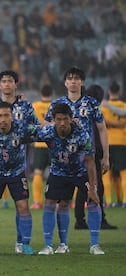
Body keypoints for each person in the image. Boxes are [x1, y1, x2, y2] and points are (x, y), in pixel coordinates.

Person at [43, 67, 109, 231]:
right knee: (63, 200)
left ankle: (95, 238)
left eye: (77, 78)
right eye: (70, 78)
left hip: (87, 157)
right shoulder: (57, 104)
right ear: (65, 82)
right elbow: (45, 126)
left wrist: (106, 156)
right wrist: (63, 125)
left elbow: (102, 128)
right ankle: (75, 226)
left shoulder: (91, 103)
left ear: (82, 82)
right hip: (63, 158)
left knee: (94, 192)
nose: (73, 81)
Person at [0, 70, 39, 254]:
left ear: (16, 84)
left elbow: (36, 128)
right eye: (3, 81)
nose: (7, 84)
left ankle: (23, 243)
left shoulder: (25, 106)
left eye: (10, 81)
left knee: (21, 205)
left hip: (17, 165)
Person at [37, 103, 105, 255]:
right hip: (58, 172)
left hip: (80, 172)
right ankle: (53, 245)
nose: (62, 123)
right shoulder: (47, 132)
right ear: (53, 119)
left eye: (65, 119)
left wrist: (93, 189)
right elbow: (27, 134)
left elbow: (90, 161)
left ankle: (95, 245)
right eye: (59, 119)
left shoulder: (82, 134)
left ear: (71, 119)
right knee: (53, 203)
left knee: (93, 201)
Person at [85, 85, 118, 229]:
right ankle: (100, 219)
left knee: (82, 187)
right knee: (98, 186)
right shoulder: (97, 111)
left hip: (81, 152)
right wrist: (106, 156)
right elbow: (102, 130)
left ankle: (80, 219)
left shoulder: (82, 109)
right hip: (95, 151)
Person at [101, 82, 126, 209]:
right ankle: (124, 201)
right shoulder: (123, 105)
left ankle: (109, 201)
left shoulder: (103, 107)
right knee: (123, 172)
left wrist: (110, 124)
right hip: (122, 141)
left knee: (106, 171)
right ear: (119, 92)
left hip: (107, 142)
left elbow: (103, 123)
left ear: (109, 92)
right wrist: (118, 124)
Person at [30, 84, 53, 209]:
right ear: (52, 93)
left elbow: (32, 123)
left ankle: (37, 202)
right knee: (58, 173)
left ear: (40, 92)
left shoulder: (35, 106)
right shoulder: (55, 106)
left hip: (39, 143)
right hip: (53, 144)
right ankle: (61, 201)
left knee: (37, 172)